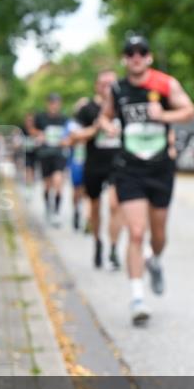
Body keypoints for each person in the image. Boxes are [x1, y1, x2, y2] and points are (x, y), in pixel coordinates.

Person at [100, 36, 194, 324]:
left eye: (141, 52)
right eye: (130, 52)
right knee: (136, 232)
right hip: (129, 168)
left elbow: (189, 111)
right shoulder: (117, 89)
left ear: (149, 57)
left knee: (158, 235)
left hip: (160, 168)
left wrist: (164, 114)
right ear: (124, 59)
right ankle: (137, 298)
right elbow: (104, 117)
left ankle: (154, 260)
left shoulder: (165, 84)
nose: (136, 57)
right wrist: (109, 127)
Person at [72, 70, 124, 270]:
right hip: (94, 165)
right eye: (104, 84)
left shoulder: (123, 106)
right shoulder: (87, 109)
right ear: (97, 86)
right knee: (95, 207)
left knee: (115, 205)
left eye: (111, 84)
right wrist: (95, 129)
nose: (107, 88)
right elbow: (74, 136)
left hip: (118, 165)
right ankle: (97, 242)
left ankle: (114, 249)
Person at [29, 93, 71, 226]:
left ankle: (57, 212)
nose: (54, 106)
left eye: (57, 103)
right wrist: (39, 134)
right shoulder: (40, 117)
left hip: (59, 154)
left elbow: (70, 134)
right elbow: (32, 129)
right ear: (48, 104)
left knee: (58, 181)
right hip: (45, 154)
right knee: (47, 184)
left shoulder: (64, 119)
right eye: (52, 103)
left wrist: (67, 140)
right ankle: (48, 207)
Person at [68, 97, 90, 231]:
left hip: (91, 161)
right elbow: (68, 140)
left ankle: (88, 220)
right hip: (77, 161)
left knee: (88, 191)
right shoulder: (72, 124)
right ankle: (76, 210)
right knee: (77, 189)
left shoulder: (94, 121)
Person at [22, 112, 38, 195]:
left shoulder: (35, 130)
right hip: (24, 154)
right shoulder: (22, 130)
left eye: (31, 120)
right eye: (28, 120)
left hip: (34, 154)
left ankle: (30, 186)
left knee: (32, 171)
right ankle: (28, 188)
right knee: (28, 170)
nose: (29, 122)